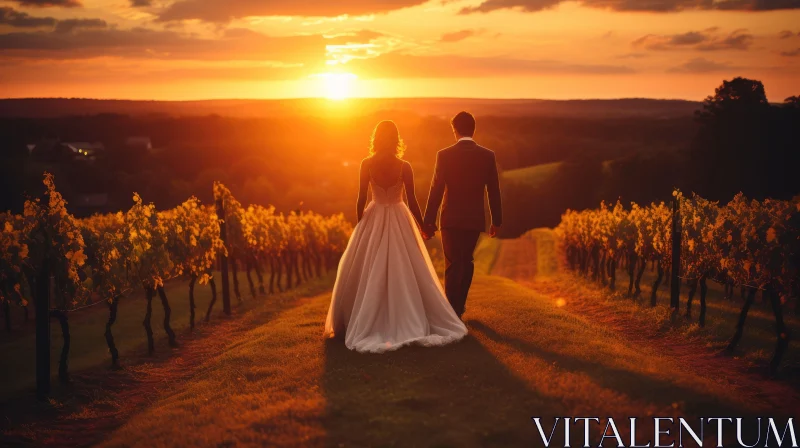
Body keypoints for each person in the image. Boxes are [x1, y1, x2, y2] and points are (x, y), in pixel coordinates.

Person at [324, 120, 467, 353]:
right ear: (396, 139)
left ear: (376, 138)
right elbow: (412, 201)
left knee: (365, 269)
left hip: (374, 215)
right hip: (400, 217)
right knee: (408, 267)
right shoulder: (404, 166)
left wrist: (361, 224)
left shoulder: (366, 164)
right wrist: (423, 226)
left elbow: (361, 198)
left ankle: (354, 320)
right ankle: (406, 315)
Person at [422, 111, 503, 319]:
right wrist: (497, 221)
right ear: (473, 129)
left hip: (450, 218)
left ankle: (451, 310)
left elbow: (436, 189)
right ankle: (459, 307)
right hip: (474, 219)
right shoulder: (487, 155)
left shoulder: (444, 154)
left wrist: (428, 222)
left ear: (454, 130)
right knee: (466, 261)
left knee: (452, 263)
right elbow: (493, 190)